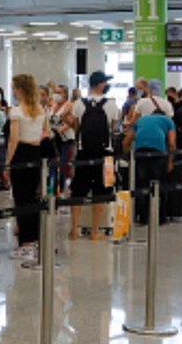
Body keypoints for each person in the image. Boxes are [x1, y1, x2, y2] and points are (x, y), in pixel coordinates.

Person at [64, 71, 118, 241]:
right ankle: (95, 231)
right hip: (106, 155)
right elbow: (113, 128)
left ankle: (74, 229)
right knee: (101, 192)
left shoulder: (79, 103)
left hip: (83, 152)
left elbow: (75, 127)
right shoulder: (111, 104)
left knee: (78, 191)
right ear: (101, 84)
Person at [4, 73, 49, 261]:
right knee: (33, 198)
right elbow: (45, 133)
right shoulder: (40, 109)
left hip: (21, 154)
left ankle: (25, 244)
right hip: (36, 153)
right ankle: (35, 240)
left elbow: (14, 139)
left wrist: (7, 163)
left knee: (21, 199)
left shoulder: (16, 111)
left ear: (20, 89)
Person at [124, 104, 176, 226]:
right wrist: (170, 161)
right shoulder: (168, 121)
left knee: (142, 185)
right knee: (160, 185)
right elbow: (172, 143)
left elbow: (126, 142)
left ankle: (143, 218)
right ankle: (161, 218)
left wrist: (128, 158)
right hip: (158, 153)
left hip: (140, 153)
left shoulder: (141, 120)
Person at [51, 85, 76, 198]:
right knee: (52, 165)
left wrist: (61, 129)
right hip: (53, 138)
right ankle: (52, 190)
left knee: (62, 164)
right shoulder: (53, 105)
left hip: (65, 139)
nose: (56, 94)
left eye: (59, 92)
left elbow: (71, 122)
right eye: (55, 92)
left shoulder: (69, 105)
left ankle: (61, 189)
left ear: (65, 94)